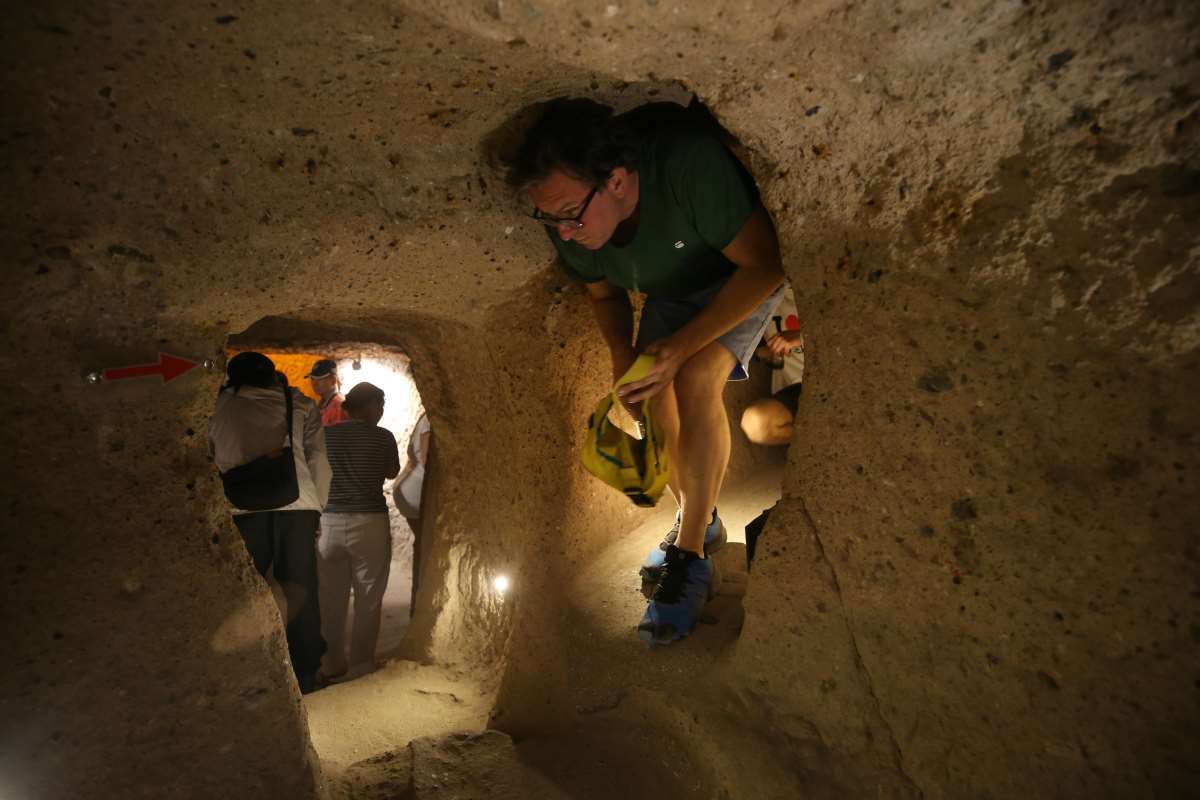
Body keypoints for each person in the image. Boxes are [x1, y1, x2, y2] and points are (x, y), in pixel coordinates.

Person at [506, 97, 787, 644]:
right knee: (654, 392)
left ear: (616, 181)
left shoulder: (686, 167)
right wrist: (621, 360)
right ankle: (699, 522)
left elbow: (765, 263)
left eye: (568, 213)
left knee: (693, 376)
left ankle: (689, 561)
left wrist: (681, 347)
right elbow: (605, 297)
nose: (562, 231)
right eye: (549, 216)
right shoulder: (573, 222)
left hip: (736, 277)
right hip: (671, 291)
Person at [209, 352, 331, 694]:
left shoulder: (216, 405)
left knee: (242, 592)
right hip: (298, 505)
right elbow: (318, 458)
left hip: (241, 509)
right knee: (302, 590)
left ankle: (243, 671)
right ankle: (306, 673)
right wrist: (318, 507)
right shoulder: (300, 404)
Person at [316, 382, 401, 682]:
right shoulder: (384, 437)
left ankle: (330, 663)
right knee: (368, 595)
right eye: (380, 405)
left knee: (330, 599)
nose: (381, 412)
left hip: (330, 522)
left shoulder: (325, 436)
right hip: (370, 522)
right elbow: (391, 472)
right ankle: (361, 665)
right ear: (371, 405)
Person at [740, 285, 804, 446]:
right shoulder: (751, 295)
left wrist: (801, 337)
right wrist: (763, 353)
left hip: (835, 381)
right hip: (795, 387)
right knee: (756, 424)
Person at [393, 411, 431, 612]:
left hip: (408, 491)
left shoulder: (423, 417)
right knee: (425, 551)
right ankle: (419, 606)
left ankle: (417, 606)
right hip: (417, 493)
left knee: (421, 548)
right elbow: (426, 460)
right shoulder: (430, 420)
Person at [307, 358, 350, 427]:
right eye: (312, 379)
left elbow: (339, 435)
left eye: (320, 379)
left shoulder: (339, 406)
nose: (315, 383)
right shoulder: (323, 403)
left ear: (333, 380)